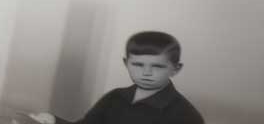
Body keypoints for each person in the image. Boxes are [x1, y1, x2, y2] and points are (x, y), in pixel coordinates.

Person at [22, 31, 203, 124]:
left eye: (157, 66)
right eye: (138, 65)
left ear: (175, 69)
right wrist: (53, 121)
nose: (146, 72)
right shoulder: (115, 97)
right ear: (126, 63)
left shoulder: (185, 115)